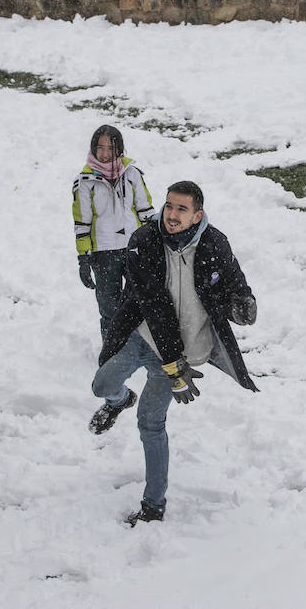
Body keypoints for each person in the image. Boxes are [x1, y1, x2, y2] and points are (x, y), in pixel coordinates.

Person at [88, 180, 258, 525]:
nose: (172, 214)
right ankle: (119, 399)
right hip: (144, 336)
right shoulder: (144, 241)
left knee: (150, 424)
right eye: (169, 206)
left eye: (181, 209)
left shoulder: (215, 243)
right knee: (101, 385)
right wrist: (170, 363)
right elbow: (156, 305)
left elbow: (233, 279)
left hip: (185, 349)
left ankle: (154, 505)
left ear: (197, 215)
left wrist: (243, 302)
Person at [72, 125, 155, 343]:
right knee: (109, 307)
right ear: (93, 148)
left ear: (120, 149)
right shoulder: (84, 182)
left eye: (111, 148)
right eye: (101, 148)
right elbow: (82, 222)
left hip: (134, 248)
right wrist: (83, 258)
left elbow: (145, 210)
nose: (106, 153)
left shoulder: (132, 173)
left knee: (140, 301)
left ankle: (142, 347)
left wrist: (155, 242)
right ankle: (112, 352)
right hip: (104, 252)